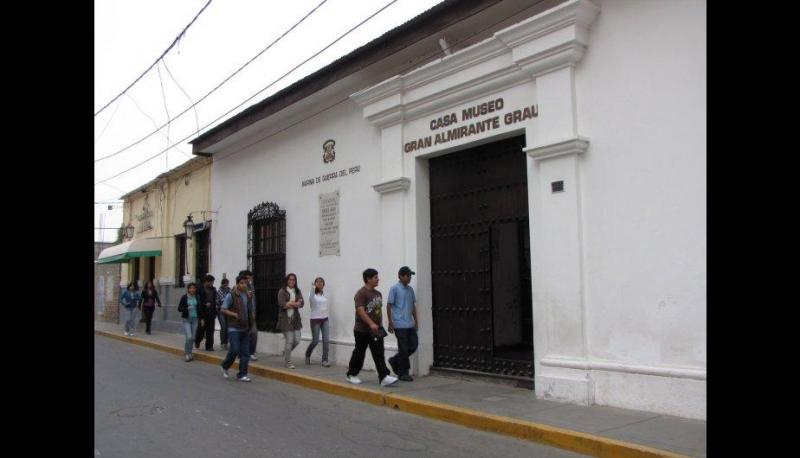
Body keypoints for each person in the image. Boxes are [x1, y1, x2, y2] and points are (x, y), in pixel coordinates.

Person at [345, 268, 399, 387]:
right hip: (362, 330)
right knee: (359, 353)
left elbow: (378, 311)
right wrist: (370, 323)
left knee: (379, 353)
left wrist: (380, 325)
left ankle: (384, 377)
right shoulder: (361, 293)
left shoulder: (378, 293)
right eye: (375, 277)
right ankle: (351, 374)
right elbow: (360, 310)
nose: (378, 279)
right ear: (368, 279)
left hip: (376, 330)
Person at [387, 267, 419, 382]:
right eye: (407, 275)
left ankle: (395, 360)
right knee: (404, 349)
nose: (409, 278)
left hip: (410, 324)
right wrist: (390, 322)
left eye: (410, 276)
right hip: (399, 325)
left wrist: (416, 320)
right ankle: (403, 373)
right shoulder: (394, 289)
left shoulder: (410, 290)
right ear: (400, 276)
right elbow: (389, 305)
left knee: (414, 345)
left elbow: (413, 306)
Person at [220, 275, 254, 382]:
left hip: (245, 327)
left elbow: (248, 309)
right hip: (234, 328)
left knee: (245, 353)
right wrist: (234, 314)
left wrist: (250, 299)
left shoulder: (246, 295)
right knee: (235, 349)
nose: (244, 285)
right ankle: (225, 366)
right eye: (242, 283)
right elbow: (223, 309)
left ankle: (242, 374)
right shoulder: (231, 295)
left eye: (245, 283)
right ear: (237, 284)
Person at [277, 273, 304, 369]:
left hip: (295, 319)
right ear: (287, 280)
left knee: (296, 340)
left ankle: (286, 352)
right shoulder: (282, 291)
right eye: (290, 279)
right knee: (289, 340)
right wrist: (295, 303)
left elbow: (302, 303)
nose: (292, 281)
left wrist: (291, 303)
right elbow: (283, 305)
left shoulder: (297, 291)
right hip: (285, 319)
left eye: (293, 280)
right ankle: (287, 362)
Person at [305, 277, 331, 367]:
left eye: (321, 282)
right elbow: (311, 299)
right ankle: (307, 354)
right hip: (315, 320)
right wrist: (312, 287)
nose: (319, 283)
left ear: (324, 284)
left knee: (326, 340)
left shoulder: (324, 296)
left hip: (325, 319)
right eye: (317, 282)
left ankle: (325, 360)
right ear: (315, 284)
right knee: (315, 341)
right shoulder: (312, 295)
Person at [239, 270, 259, 361]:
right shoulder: (238, 288)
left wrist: (253, 312)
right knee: (243, 334)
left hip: (250, 314)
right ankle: (241, 352)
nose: (249, 280)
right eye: (247, 278)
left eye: (250, 278)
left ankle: (251, 352)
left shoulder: (251, 287)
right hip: (241, 315)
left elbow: (253, 300)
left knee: (254, 333)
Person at [177, 283, 201, 362]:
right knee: (189, 337)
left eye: (194, 288)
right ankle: (187, 354)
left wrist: (202, 318)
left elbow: (200, 308)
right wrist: (187, 308)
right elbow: (179, 309)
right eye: (191, 288)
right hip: (186, 320)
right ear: (188, 289)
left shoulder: (197, 297)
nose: (192, 290)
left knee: (193, 338)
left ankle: (190, 353)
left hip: (195, 319)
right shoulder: (184, 297)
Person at [194, 274, 217, 351]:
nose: (212, 284)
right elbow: (197, 301)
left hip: (211, 313)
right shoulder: (199, 289)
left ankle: (209, 346)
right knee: (201, 330)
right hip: (203, 313)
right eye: (211, 282)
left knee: (211, 330)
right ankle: (197, 341)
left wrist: (215, 311)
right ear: (206, 282)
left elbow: (215, 300)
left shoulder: (214, 290)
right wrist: (204, 304)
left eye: (213, 282)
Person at [216, 278, 232, 349]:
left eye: (227, 283)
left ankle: (226, 342)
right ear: (222, 284)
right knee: (224, 327)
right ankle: (223, 343)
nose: (226, 285)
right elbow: (217, 301)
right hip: (221, 311)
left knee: (228, 326)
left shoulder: (230, 290)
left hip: (228, 311)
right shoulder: (219, 291)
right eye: (225, 284)